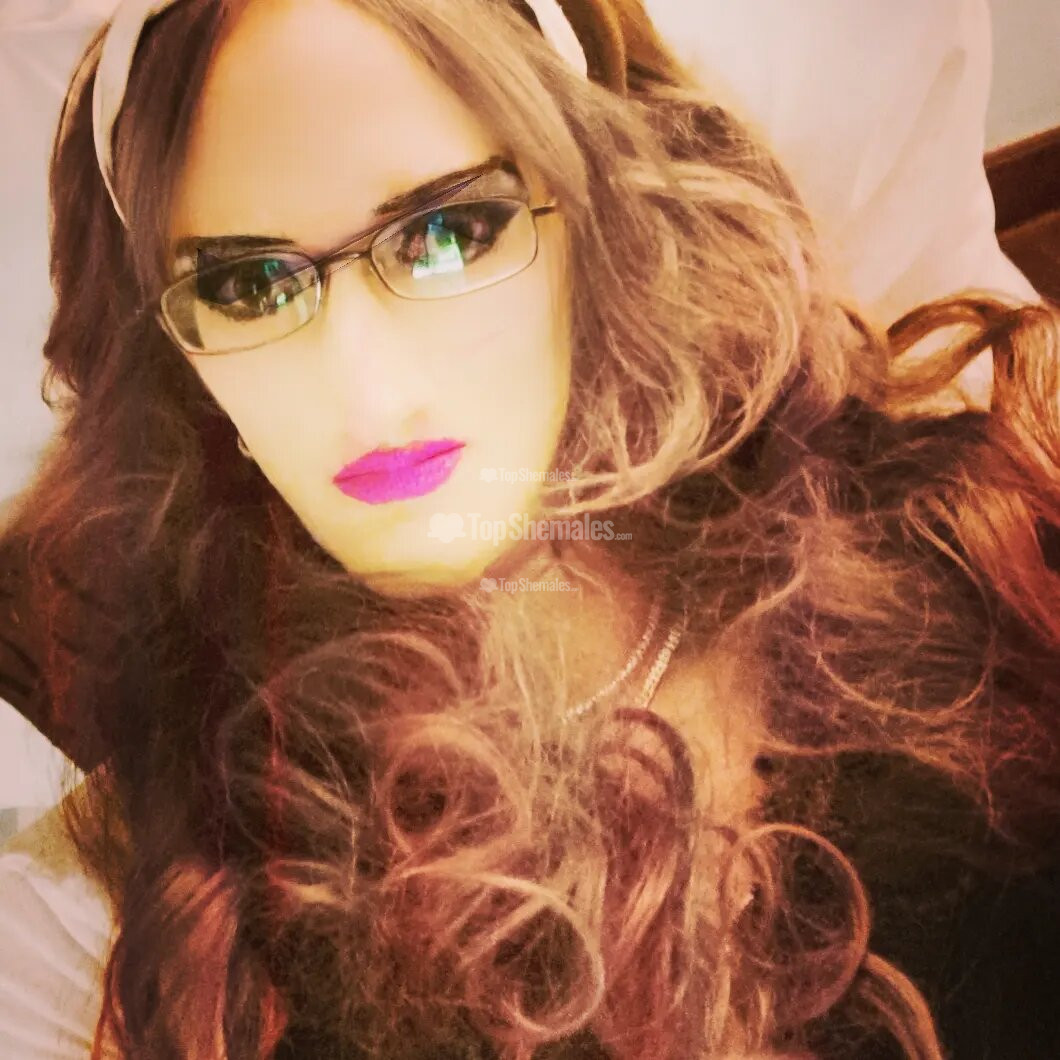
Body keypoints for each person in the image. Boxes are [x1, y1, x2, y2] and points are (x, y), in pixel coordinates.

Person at [0, 0, 1058, 1057]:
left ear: (591, 222)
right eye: (248, 286)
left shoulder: (969, 567)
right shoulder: (179, 883)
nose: (368, 393)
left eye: (446, 235)